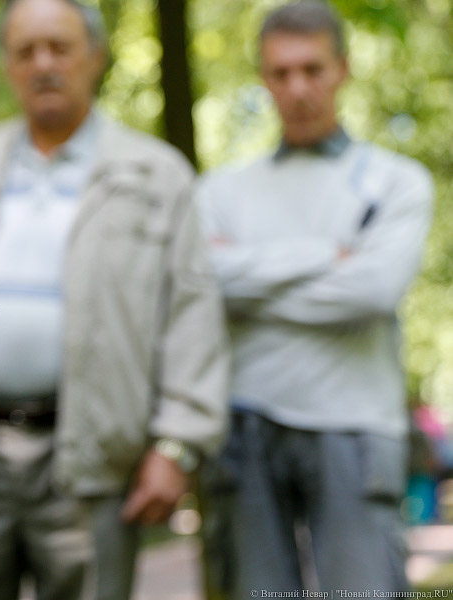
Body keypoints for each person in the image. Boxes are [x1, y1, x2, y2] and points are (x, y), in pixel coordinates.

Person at [0, 0, 229, 598]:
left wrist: (178, 442)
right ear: (5, 64)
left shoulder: (157, 174)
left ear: (95, 56)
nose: (43, 63)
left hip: (95, 459)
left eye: (60, 47)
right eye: (26, 51)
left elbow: (193, 316)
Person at [195, 1, 434, 595]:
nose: (297, 87)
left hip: (355, 429)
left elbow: (373, 292)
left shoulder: (397, 182)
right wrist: (330, 255)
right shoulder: (221, 191)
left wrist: (247, 282)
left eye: (312, 69)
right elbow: (205, 284)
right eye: (280, 73)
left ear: (342, 69)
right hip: (243, 427)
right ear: (263, 77)